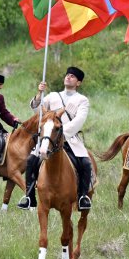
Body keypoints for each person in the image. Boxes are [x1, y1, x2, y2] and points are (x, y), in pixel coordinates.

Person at [19, 66, 91, 211]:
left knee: (85, 163)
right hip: (48, 138)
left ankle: (82, 196)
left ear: (78, 83)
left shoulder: (82, 100)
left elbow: (79, 120)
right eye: (67, 75)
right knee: (31, 161)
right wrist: (39, 94)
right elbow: (38, 112)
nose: (68, 77)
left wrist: (63, 134)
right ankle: (29, 196)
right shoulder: (52, 96)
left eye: (73, 76)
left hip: (69, 139)